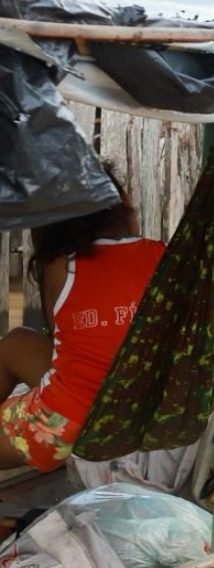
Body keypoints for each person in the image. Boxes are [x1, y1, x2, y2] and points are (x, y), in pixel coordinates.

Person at [0, 171, 164, 471]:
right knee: (18, 341)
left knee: (36, 359)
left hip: (71, 425)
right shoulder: (164, 256)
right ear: (123, 210)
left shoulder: (61, 268)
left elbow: (61, 338)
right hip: (145, 410)